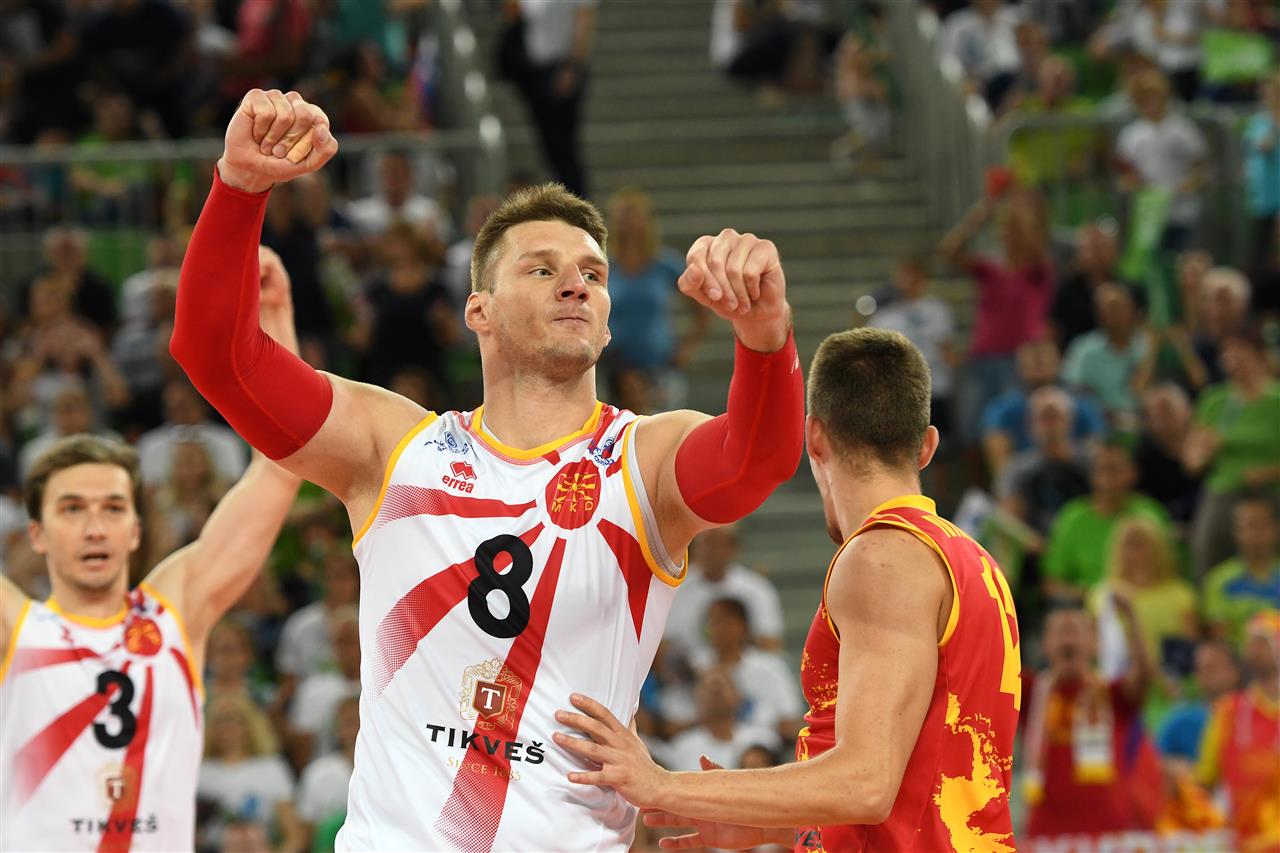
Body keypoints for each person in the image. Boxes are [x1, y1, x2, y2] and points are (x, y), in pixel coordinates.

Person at [170, 88, 804, 851]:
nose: (576, 283)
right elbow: (218, 358)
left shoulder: (644, 458)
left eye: (593, 273)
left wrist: (766, 338)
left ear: (607, 320)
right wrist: (238, 187)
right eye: (541, 269)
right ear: (479, 310)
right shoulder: (393, 447)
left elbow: (757, 461)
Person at [553, 328, 1022, 853]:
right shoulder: (973, 561)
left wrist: (663, 784)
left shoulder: (881, 558)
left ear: (814, 437)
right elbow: (926, 786)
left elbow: (866, 783)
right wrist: (772, 824)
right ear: (927, 446)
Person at [0, 248, 303, 851]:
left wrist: (275, 325)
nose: (95, 528)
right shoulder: (15, 628)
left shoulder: (175, 611)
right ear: (36, 535)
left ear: (136, 529)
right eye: (72, 509)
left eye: (112, 508)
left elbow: (279, 468)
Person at [1020, 601, 1161, 842]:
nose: (1068, 639)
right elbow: (988, 663)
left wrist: (1131, 617)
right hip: (1045, 830)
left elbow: (1145, 675)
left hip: (1107, 829)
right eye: (1059, 632)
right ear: (1045, 644)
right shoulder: (1030, 691)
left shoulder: (1112, 694)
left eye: (1076, 630)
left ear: (1094, 643)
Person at [1043, 440, 1172, 599]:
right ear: (1091, 475)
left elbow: (1169, 571)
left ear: (1133, 473)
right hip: (1086, 605)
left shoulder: (1150, 513)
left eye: (1116, 469)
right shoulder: (1073, 517)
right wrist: (1093, 598)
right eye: (1103, 469)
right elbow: (1052, 582)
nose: (1109, 477)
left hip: (1145, 601)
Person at [1196, 610, 1280, 853]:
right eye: (1250, 641)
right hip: (1242, 844)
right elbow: (1204, 782)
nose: (1254, 648)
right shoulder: (1227, 711)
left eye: (1263, 641)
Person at [663, 524, 785, 657]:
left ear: (733, 548)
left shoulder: (758, 589)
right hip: (687, 667)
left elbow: (770, 644)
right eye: (701, 544)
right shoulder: (675, 588)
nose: (706, 551)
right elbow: (663, 644)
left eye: (714, 544)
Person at [1203, 497, 1280, 645]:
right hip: (1239, 658)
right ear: (1236, 532)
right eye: (1249, 526)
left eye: (1261, 526)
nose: (1255, 534)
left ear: (1276, 529)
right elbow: (1219, 639)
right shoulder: (1219, 579)